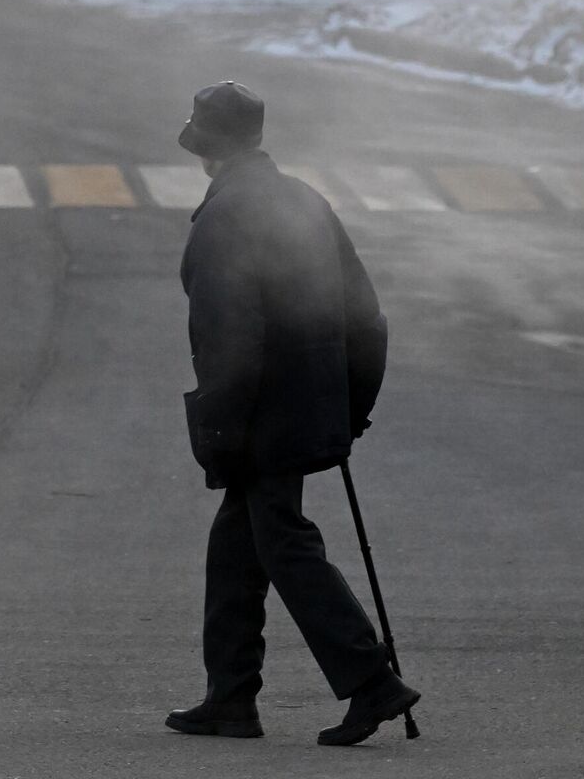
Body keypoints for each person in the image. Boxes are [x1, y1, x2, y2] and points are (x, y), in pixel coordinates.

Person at [165, 81, 421, 747]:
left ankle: (372, 682)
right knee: (237, 548)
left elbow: (228, 341)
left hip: (261, 416)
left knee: (282, 540)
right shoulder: (304, 201)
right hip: (305, 408)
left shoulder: (225, 219)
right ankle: (230, 698)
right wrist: (351, 408)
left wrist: (218, 433)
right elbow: (367, 317)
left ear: (208, 149)